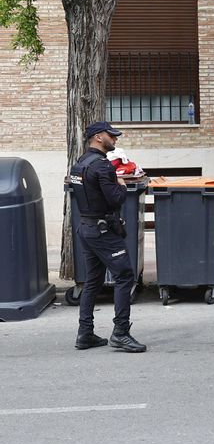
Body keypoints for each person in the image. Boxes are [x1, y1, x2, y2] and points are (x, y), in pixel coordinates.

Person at [68, 121, 146, 352]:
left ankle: (85, 334)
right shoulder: (103, 166)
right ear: (99, 137)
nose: (116, 139)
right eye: (112, 135)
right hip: (102, 231)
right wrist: (121, 184)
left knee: (93, 281)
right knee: (124, 276)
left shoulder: (79, 164)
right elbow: (116, 199)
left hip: (86, 228)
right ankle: (121, 333)